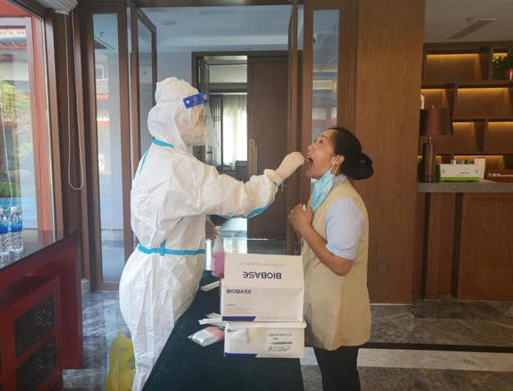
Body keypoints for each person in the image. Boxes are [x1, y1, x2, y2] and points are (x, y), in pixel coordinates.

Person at [119, 77, 304, 391]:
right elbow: (242, 199)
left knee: (155, 363)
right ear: (178, 119)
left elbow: (161, 209)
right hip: (160, 284)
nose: (202, 124)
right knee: (157, 370)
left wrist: (191, 220)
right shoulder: (181, 167)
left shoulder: (159, 155)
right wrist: (277, 175)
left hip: (153, 272)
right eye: (198, 117)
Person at [289, 127, 373, 391]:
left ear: (337, 159)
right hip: (324, 304)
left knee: (340, 380)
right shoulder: (324, 192)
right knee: (333, 377)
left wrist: (304, 227)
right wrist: (302, 227)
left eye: (321, 142)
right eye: (314, 140)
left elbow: (340, 263)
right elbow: (318, 243)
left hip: (340, 311)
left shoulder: (344, 202)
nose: (310, 146)